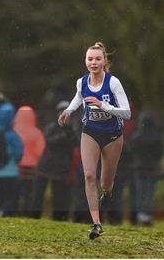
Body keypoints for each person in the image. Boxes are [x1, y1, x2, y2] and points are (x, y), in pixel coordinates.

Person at [58, 41, 130, 239]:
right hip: (89, 131)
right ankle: (96, 223)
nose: (94, 62)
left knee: (106, 184)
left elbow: (127, 113)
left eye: (98, 59)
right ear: (85, 61)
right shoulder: (82, 82)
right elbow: (79, 97)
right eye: (90, 59)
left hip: (113, 136)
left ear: (104, 61)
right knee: (89, 176)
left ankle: (107, 191)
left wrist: (103, 105)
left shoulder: (113, 82)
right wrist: (68, 110)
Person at [32, 101, 79, 221]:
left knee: (59, 196)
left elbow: (75, 144)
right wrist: (62, 137)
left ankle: (58, 218)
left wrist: (67, 132)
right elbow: (48, 142)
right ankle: (34, 216)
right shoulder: (52, 127)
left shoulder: (72, 130)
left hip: (61, 168)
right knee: (38, 194)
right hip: (46, 166)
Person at [130, 111, 164, 226]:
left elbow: (131, 150)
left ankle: (140, 216)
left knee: (139, 193)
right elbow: (160, 153)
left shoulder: (136, 137)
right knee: (149, 194)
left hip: (139, 169)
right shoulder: (157, 137)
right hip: (152, 169)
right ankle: (147, 217)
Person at [13, 106, 45, 217]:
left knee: (16, 192)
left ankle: (16, 212)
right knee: (29, 193)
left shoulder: (14, 131)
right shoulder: (36, 133)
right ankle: (26, 213)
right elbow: (40, 151)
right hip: (31, 168)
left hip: (16, 167)